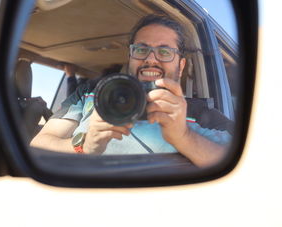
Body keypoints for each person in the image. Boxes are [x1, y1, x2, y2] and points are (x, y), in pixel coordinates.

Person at [30, 15, 233, 167]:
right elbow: (40, 143)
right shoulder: (92, 92)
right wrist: (85, 146)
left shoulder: (202, 114)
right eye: (141, 49)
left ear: (180, 66)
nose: (151, 59)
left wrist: (183, 136)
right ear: (131, 57)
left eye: (164, 51)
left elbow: (241, 161)